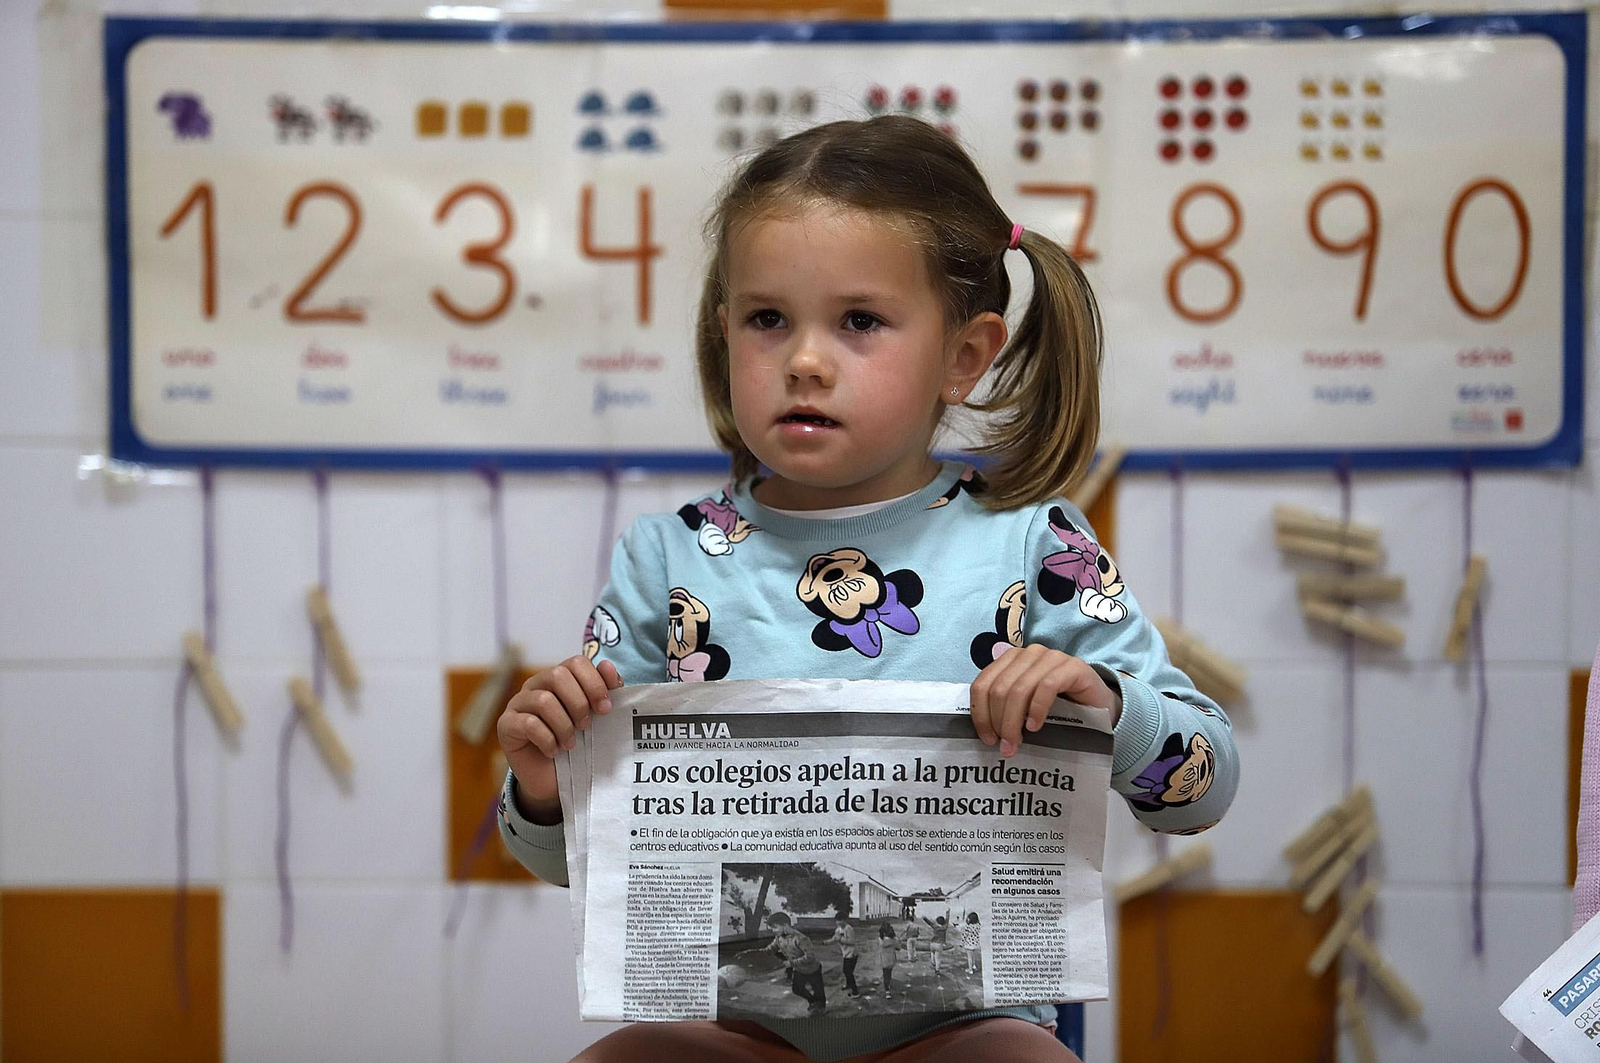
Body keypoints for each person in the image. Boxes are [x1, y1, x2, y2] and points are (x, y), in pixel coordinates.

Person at [496, 113, 1239, 1063]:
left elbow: (1202, 788)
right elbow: (573, 868)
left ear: (964, 357)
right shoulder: (666, 559)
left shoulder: (1037, 546)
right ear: (724, 332)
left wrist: (1108, 705)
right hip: (729, 1031)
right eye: (767, 319)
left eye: (859, 321)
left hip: (967, 1033)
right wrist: (544, 787)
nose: (804, 359)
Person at [766, 912, 827, 1017]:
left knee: (819, 991)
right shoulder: (778, 937)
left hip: (813, 969)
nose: (773, 930)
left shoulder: (800, 938)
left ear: (785, 925)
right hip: (799, 969)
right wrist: (758, 953)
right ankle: (813, 1002)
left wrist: (791, 963)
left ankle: (821, 1008)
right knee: (797, 989)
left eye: (775, 927)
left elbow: (810, 956)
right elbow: (771, 948)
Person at [829, 914, 861, 997]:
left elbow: (852, 941)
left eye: (840, 920)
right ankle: (848, 984)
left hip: (852, 953)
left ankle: (855, 992)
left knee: (848, 972)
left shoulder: (849, 929)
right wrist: (825, 942)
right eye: (837, 921)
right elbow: (834, 938)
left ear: (844, 920)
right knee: (847, 971)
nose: (838, 922)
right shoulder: (838, 930)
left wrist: (840, 939)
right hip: (846, 953)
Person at [877, 922, 899, 1000]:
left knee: (885, 974)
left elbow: (879, 945)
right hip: (891, 959)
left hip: (883, 959)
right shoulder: (894, 940)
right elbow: (898, 948)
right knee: (888, 973)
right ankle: (888, 985)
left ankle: (887, 990)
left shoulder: (880, 940)